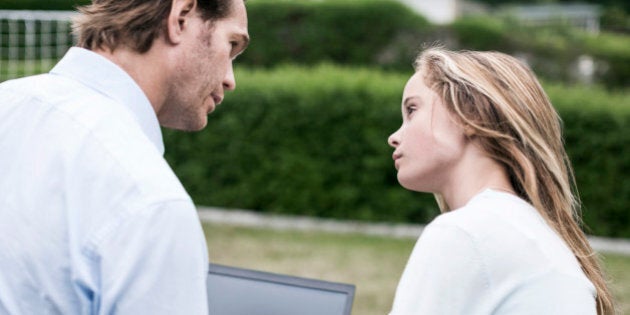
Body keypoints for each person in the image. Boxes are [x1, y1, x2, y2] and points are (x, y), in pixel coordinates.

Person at [0, 0, 249, 313]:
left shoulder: (7, 102)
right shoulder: (150, 203)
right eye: (232, 45)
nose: (230, 79)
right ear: (181, 16)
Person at [387, 48, 614, 315]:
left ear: (471, 114)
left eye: (412, 110)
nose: (394, 136)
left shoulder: (464, 233)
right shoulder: (531, 233)